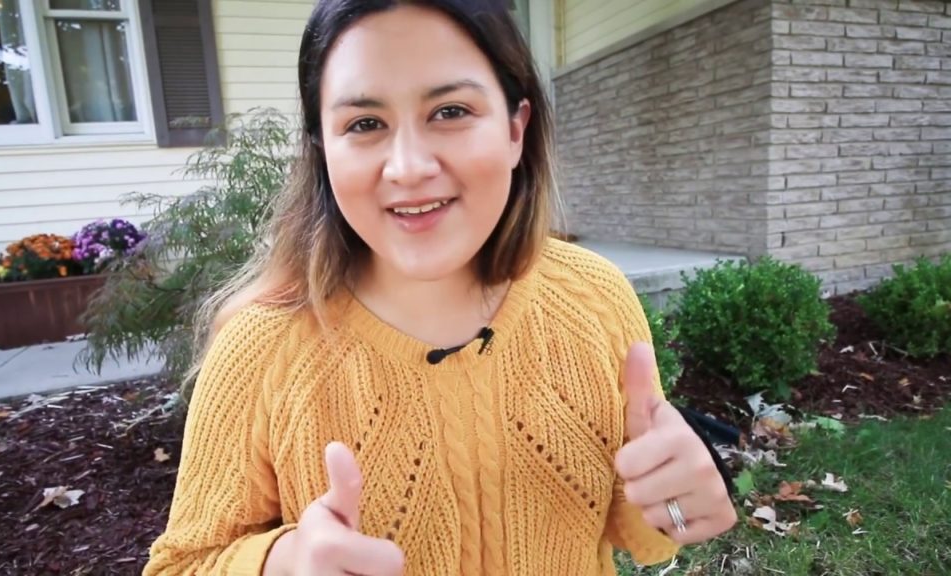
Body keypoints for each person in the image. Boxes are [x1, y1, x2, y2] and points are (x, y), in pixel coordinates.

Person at [142, 1, 737, 574]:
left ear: (515, 129)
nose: (408, 167)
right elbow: (185, 563)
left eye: (450, 111)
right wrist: (281, 564)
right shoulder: (261, 347)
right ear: (323, 150)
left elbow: (629, 521)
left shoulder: (594, 296)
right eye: (365, 123)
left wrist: (677, 502)